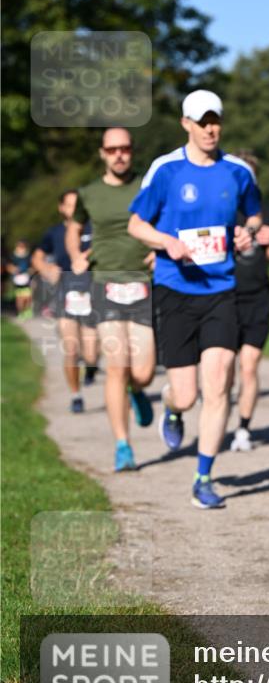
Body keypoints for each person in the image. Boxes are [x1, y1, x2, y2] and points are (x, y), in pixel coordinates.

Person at [128, 90, 261, 509]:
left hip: (221, 289)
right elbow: (135, 224)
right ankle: (171, 407)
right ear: (185, 124)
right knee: (186, 395)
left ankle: (203, 476)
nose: (210, 128)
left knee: (219, 379)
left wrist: (247, 231)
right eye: (201, 121)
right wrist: (165, 241)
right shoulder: (165, 170)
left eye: (215, 120)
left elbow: (253, 212)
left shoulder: (237, 171)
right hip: (176, 289)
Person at [67, 127, 156, 472]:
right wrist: (76, 255)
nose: (119, 154)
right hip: (104, 283)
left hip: (142, 283)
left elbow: (167, 221)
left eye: (125, 149)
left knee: (144, 372)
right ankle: (123, 445)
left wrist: (158, 252)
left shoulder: (146, 187)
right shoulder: (88, 193)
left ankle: (138, 391)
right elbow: (74, 228)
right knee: (116, 367)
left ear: (132, 152)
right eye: (112, 149)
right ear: (102, 153)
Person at [228, 151, 269, 452]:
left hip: (258, 297)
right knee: (222, 370)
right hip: (223, 297)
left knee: (249, 367)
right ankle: (216, 419)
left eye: (250, 174)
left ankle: (243, 429)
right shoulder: (219, 208)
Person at [32, 190, 98, 413]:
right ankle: (75, 395)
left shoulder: (93, 229)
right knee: (71, 348)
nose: (73, 209)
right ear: (61, 208)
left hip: (92, 293)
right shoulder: (54, 233)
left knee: (90, 352)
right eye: (68, 205)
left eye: (76, 205)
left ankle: (91, 367)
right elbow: (37, 258)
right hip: (65, 295)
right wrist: (47, 268)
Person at [8, 238, 33, 318]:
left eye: (22, 246)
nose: (21, 248)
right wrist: (14, 269)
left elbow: (33, 266)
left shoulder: (29, 256)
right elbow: (8, 266)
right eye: (19, 246)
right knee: (20, 298)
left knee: (28, 297)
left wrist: (30, 271)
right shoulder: (12, 256)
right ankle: (20, 312)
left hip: (27, 279)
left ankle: (27, 310)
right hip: (17, 279)